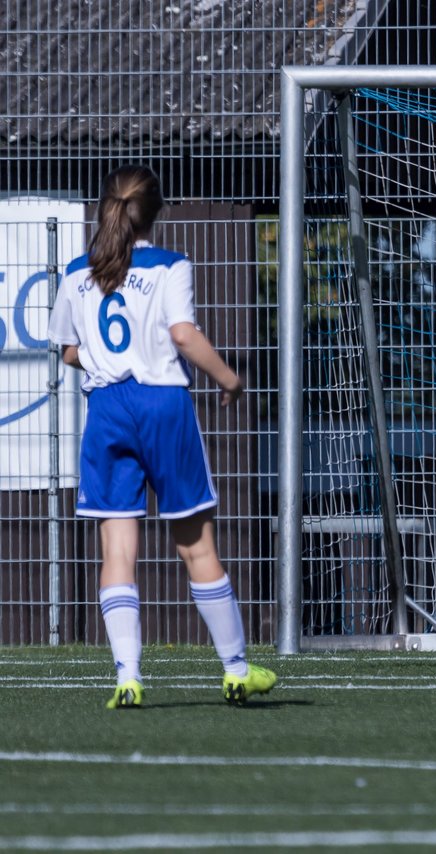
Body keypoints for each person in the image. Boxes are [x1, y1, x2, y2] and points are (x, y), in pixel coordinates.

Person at [48, 165, 277, 708]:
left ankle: (128, 677)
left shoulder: (78, 272)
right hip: (162, 406)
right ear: (158, 212)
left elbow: (70, 351)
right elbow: (182, 334)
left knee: (116, 551)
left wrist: (109, 361)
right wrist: (228, 377)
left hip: (106, 409)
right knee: (196, 545)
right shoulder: (170, 266)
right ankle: (236, 669)